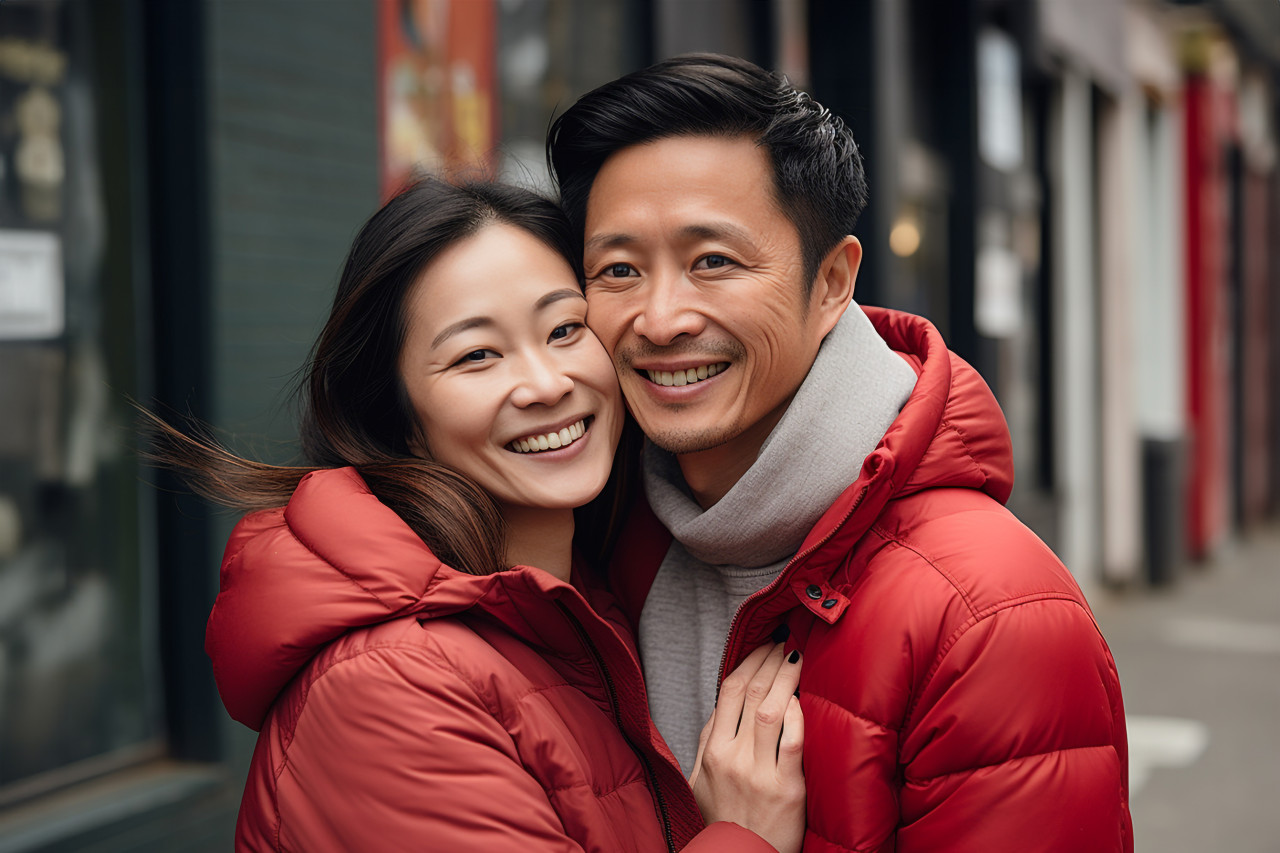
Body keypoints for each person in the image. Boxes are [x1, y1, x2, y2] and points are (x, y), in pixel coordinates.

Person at [547, 54, 1132, 852]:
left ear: (830, 282)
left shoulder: (988, 618)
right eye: (618, 269)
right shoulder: (597, 533)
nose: (659, 318)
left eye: (711, 261)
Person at [145, 178, 806, 852]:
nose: (547, 383)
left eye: (565, 329)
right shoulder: (390, 682)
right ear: (395, 417)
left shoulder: (580, 601)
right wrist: (743, 835)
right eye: (477, 355)